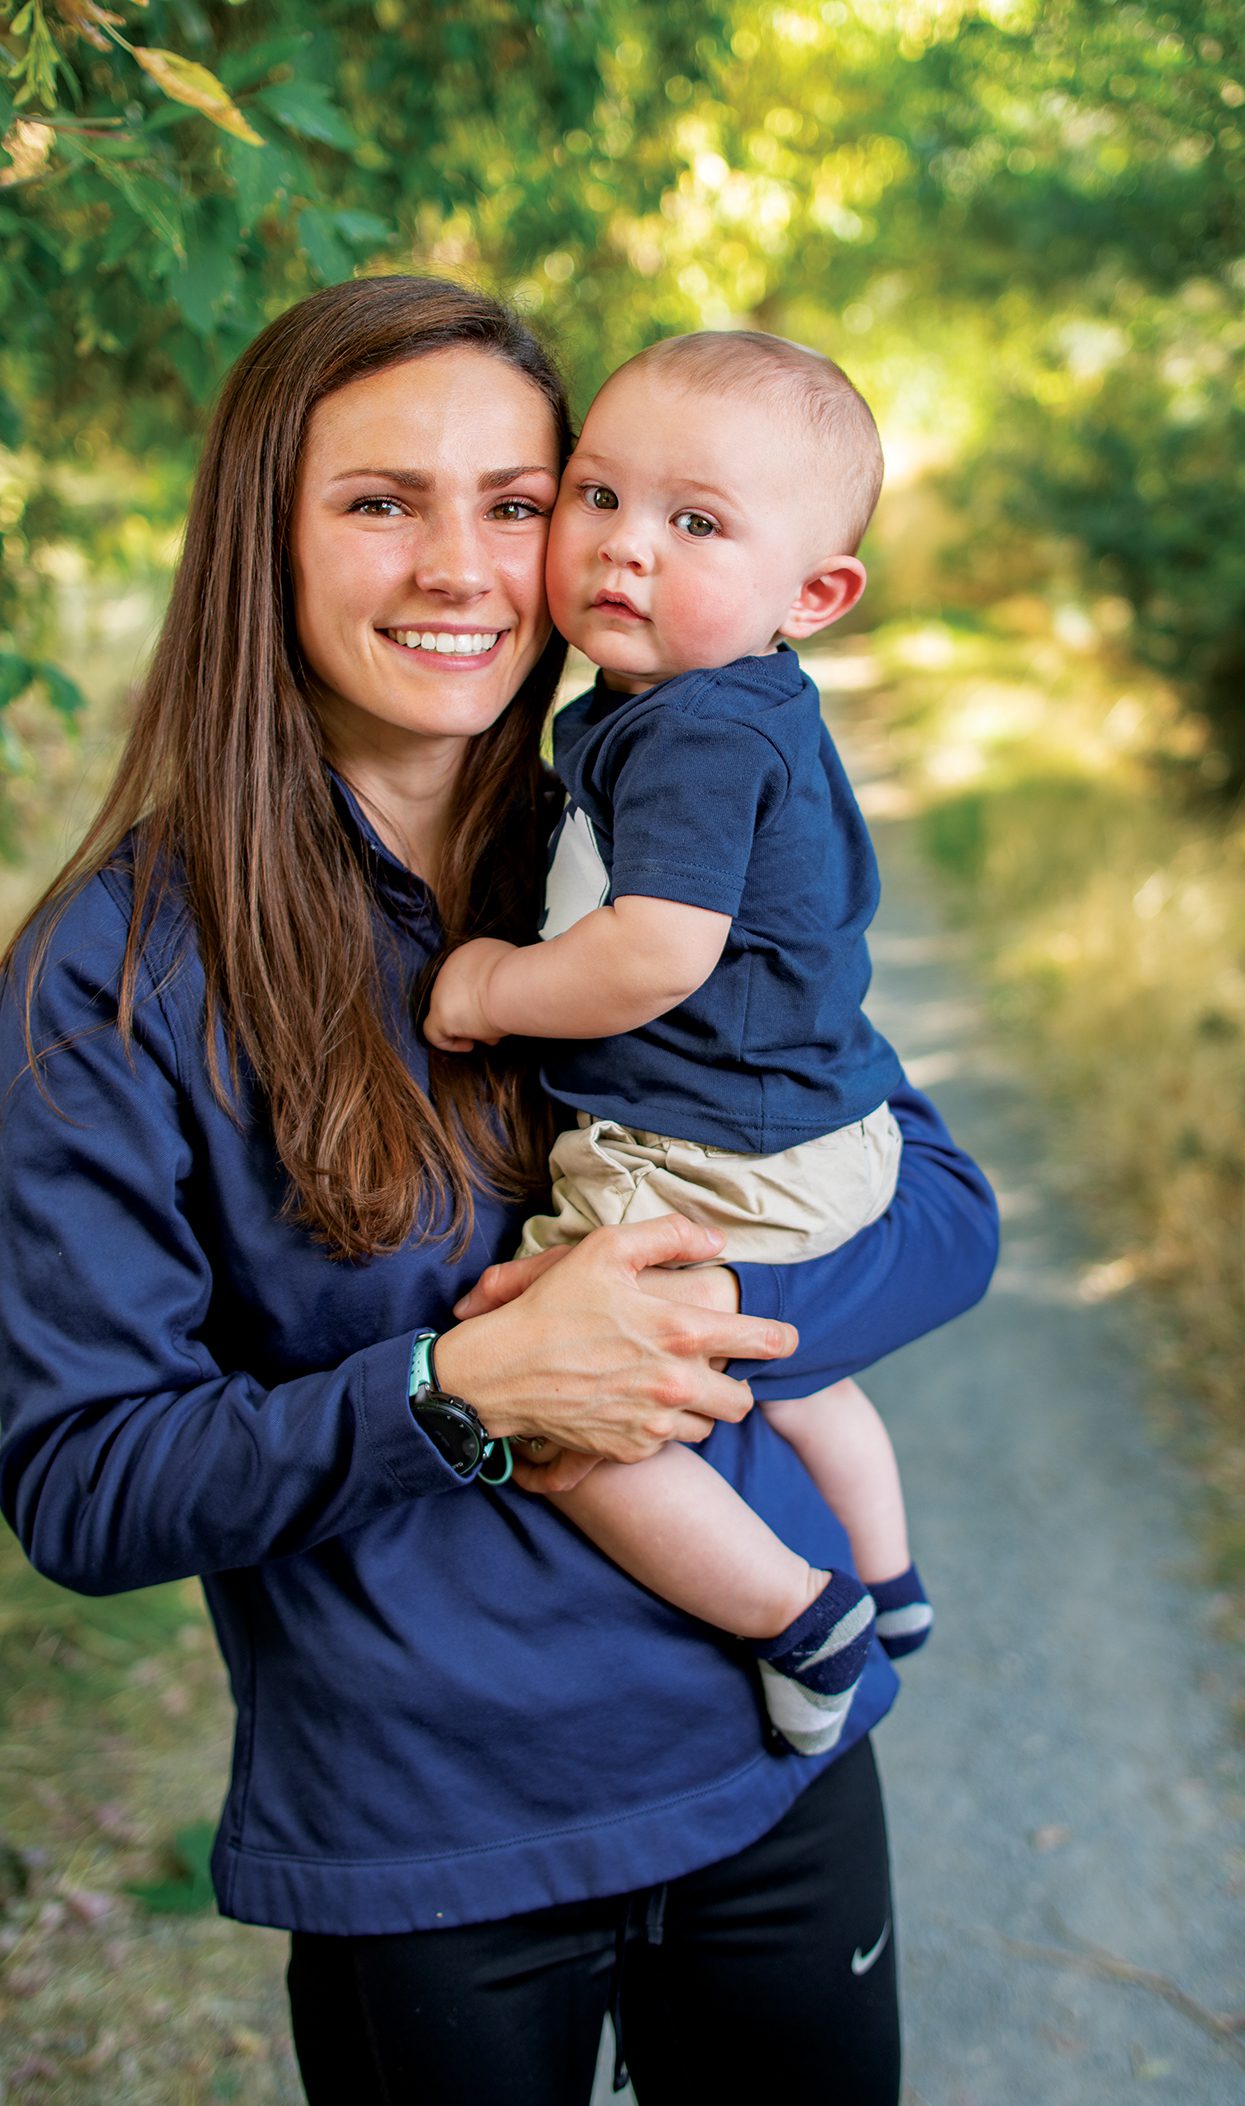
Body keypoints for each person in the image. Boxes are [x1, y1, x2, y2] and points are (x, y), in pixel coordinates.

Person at [0, 276, 998, 2106]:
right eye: (381, 501)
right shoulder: (116, 969)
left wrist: (677, 1331)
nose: (462, 565)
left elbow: (939, 1204)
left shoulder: (647, 832)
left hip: (764, 1767)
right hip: (432, 1843)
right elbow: (85, 1483)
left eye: (517, 501)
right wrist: (458, 1396)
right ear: (263, 539)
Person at [425, 331, 932, 1761]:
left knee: (559, 1400)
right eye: (596, 497)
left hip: (717, 1151)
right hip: (811, 1132)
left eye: (695, 523)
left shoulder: (698, 730)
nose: (625, 550)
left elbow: (654, 951)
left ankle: (801, 1611)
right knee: (805, 1373)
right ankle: (894, 1585)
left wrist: (491, 988)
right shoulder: (701, 703)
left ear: (815, 594)